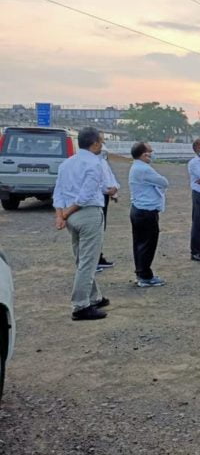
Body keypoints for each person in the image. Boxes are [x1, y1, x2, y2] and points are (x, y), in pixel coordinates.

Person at [53, 127, 115, 321]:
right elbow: (85, 196)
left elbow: (58, 192)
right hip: (87, 214)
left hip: (71, 217)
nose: (102, 145)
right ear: (95, 143)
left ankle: (94, 296)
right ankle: (80, 306)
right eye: (101, 141)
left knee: (82, 258)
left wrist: (60, 215)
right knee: (88, 261)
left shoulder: (66, 164)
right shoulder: (94, 164)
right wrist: (66, 213)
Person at [128, 142, 168, 288]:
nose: (152, 154)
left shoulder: (136, 167)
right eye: (150, 151)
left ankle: (141, 273)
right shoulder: (144, 169)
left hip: (139, 210)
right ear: (144, 154)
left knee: (139, 244)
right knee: (147, 244)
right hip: (146, 212)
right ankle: (145, 276)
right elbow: (164, 182)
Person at [97, 143, 120, 271]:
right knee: (96, 228)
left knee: (101, 228)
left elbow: (110, 177)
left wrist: (114, 190)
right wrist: (108, 190)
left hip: (104, 197)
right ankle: (94, 260)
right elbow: (95, 183)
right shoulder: (93, 163)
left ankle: (98, 257)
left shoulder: (103, 163)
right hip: (97, 197)